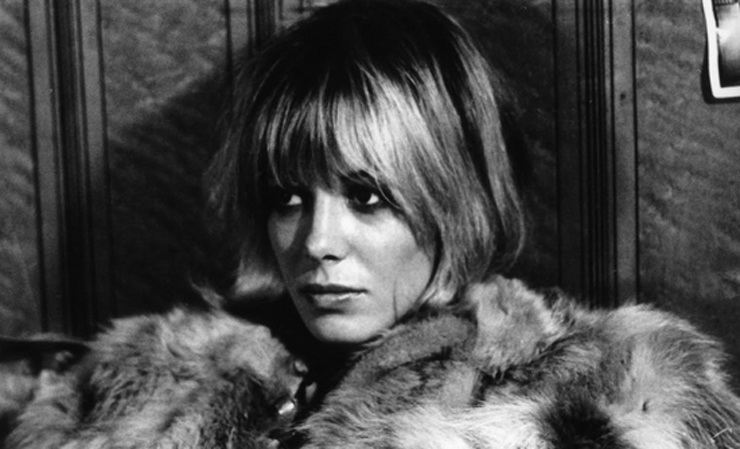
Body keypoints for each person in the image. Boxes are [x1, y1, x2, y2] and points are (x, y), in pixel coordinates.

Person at [6, 0, 740, 447]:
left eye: (367, 197)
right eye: (288, 197)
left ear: (455, 199)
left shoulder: (596, 395)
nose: (317, 243)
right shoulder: (152, 375)